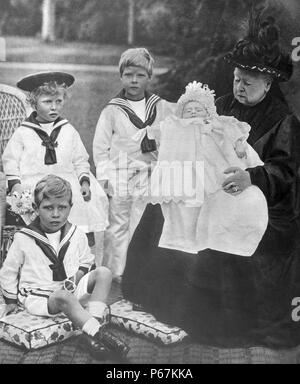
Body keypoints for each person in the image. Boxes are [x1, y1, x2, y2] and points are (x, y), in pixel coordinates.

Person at [122, 13, 300, 348]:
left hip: (263, 195)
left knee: (222, 222)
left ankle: (209, 316)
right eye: (236, 79)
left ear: (268, 83)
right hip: (209, 184)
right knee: (166, 206)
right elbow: (192, 137)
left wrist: (251, 177)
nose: (239, 87)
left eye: (248, 82)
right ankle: (154, 295)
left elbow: (285, 171)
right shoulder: (220, 106)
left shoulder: (283, 120)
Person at [146, 81, 268, 256]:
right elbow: (161, 138)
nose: (193, 112)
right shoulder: (176, 125)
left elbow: (234, 134)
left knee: (214, 203)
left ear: (208, 111)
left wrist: (239, 145)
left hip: (212, 168)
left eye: (198, 109)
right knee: (184, 208)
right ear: (181, 113)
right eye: (189, 110)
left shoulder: (217, 124)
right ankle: (184, 241)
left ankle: (215, 239)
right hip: (185, 171)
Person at [0, 175, 112, 360]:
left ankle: (90, 331)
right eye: (48, 207)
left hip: (69, 289)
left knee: (104, 273)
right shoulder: (23, 237)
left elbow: (86, 261)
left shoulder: (76, 233)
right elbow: (8, 271)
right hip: (39, 296)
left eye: (62, 207)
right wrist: (11, 301)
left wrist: (75, 278)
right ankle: (101, 335)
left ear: (70, 207)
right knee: (62, 296)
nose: (55, 214)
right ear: (36, 209)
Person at [2, 72, 108, 265]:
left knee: (87, 205)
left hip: (66, 182)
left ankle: (81, 257)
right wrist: (15, 185)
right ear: (34, 102)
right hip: (35, 183)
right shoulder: (23, 133)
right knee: (42, 210)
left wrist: (84, 180)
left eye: (58, 101)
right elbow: (10, 161)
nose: (54, 107)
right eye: (47, 101)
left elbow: (80, 159)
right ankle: (43, 258)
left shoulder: (68, 130)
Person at [93, 48, 174, 280]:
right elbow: (101, 147)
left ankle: (136, 270)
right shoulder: (113, 110)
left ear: (149, 76)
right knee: (117, 222)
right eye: (128, 75)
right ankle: (114, 273)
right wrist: (104, 176)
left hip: (150, 174)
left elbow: (177, 127)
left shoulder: (160, 107)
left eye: (140, 75)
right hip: (120, 174)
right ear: (121, 77)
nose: (134, 80)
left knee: (141, 220)